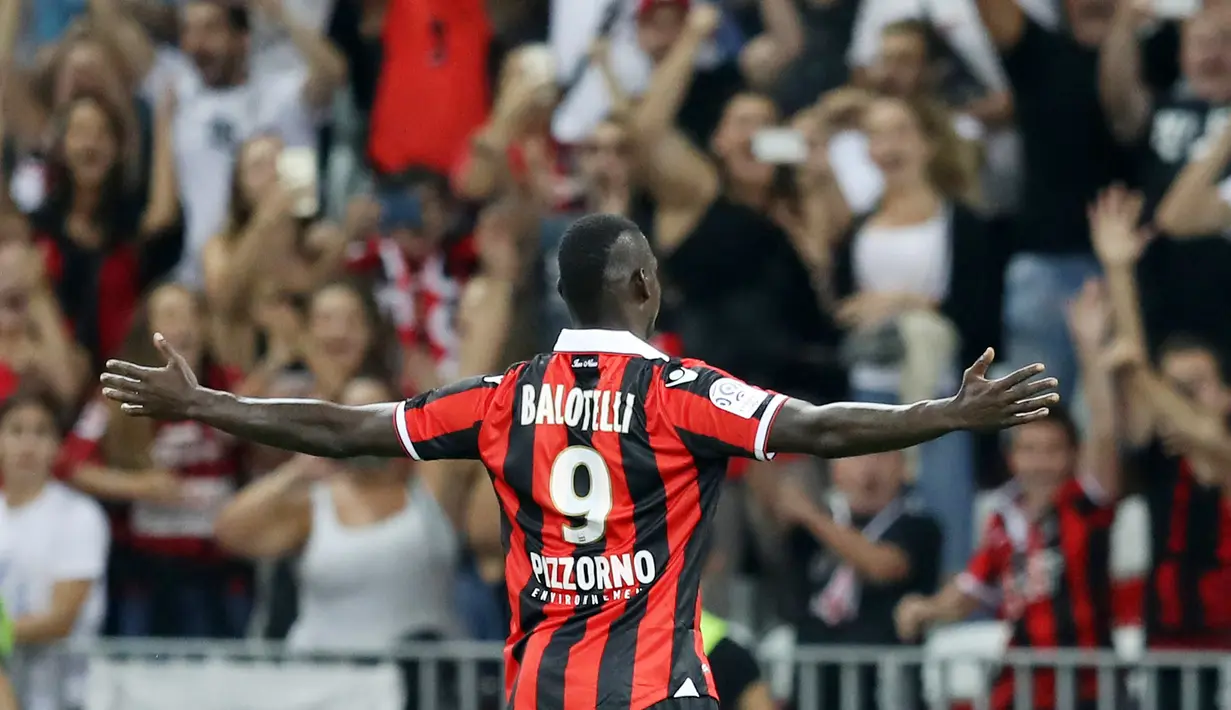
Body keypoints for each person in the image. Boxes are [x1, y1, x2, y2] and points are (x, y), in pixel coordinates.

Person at [100, 213, 1058, 710]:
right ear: (641, 283)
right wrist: (942, 412)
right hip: (649, 687)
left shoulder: (503, 396)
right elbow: (818, 430)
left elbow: (349, 430)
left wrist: (206, 404)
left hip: (540, 691)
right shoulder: (678, 393)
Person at [0, 388, 110, 710]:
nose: (27, 444)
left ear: (57, 447)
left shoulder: (79, 516)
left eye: (40, 432)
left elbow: (61, 619)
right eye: (16, 431)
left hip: (65, 693)